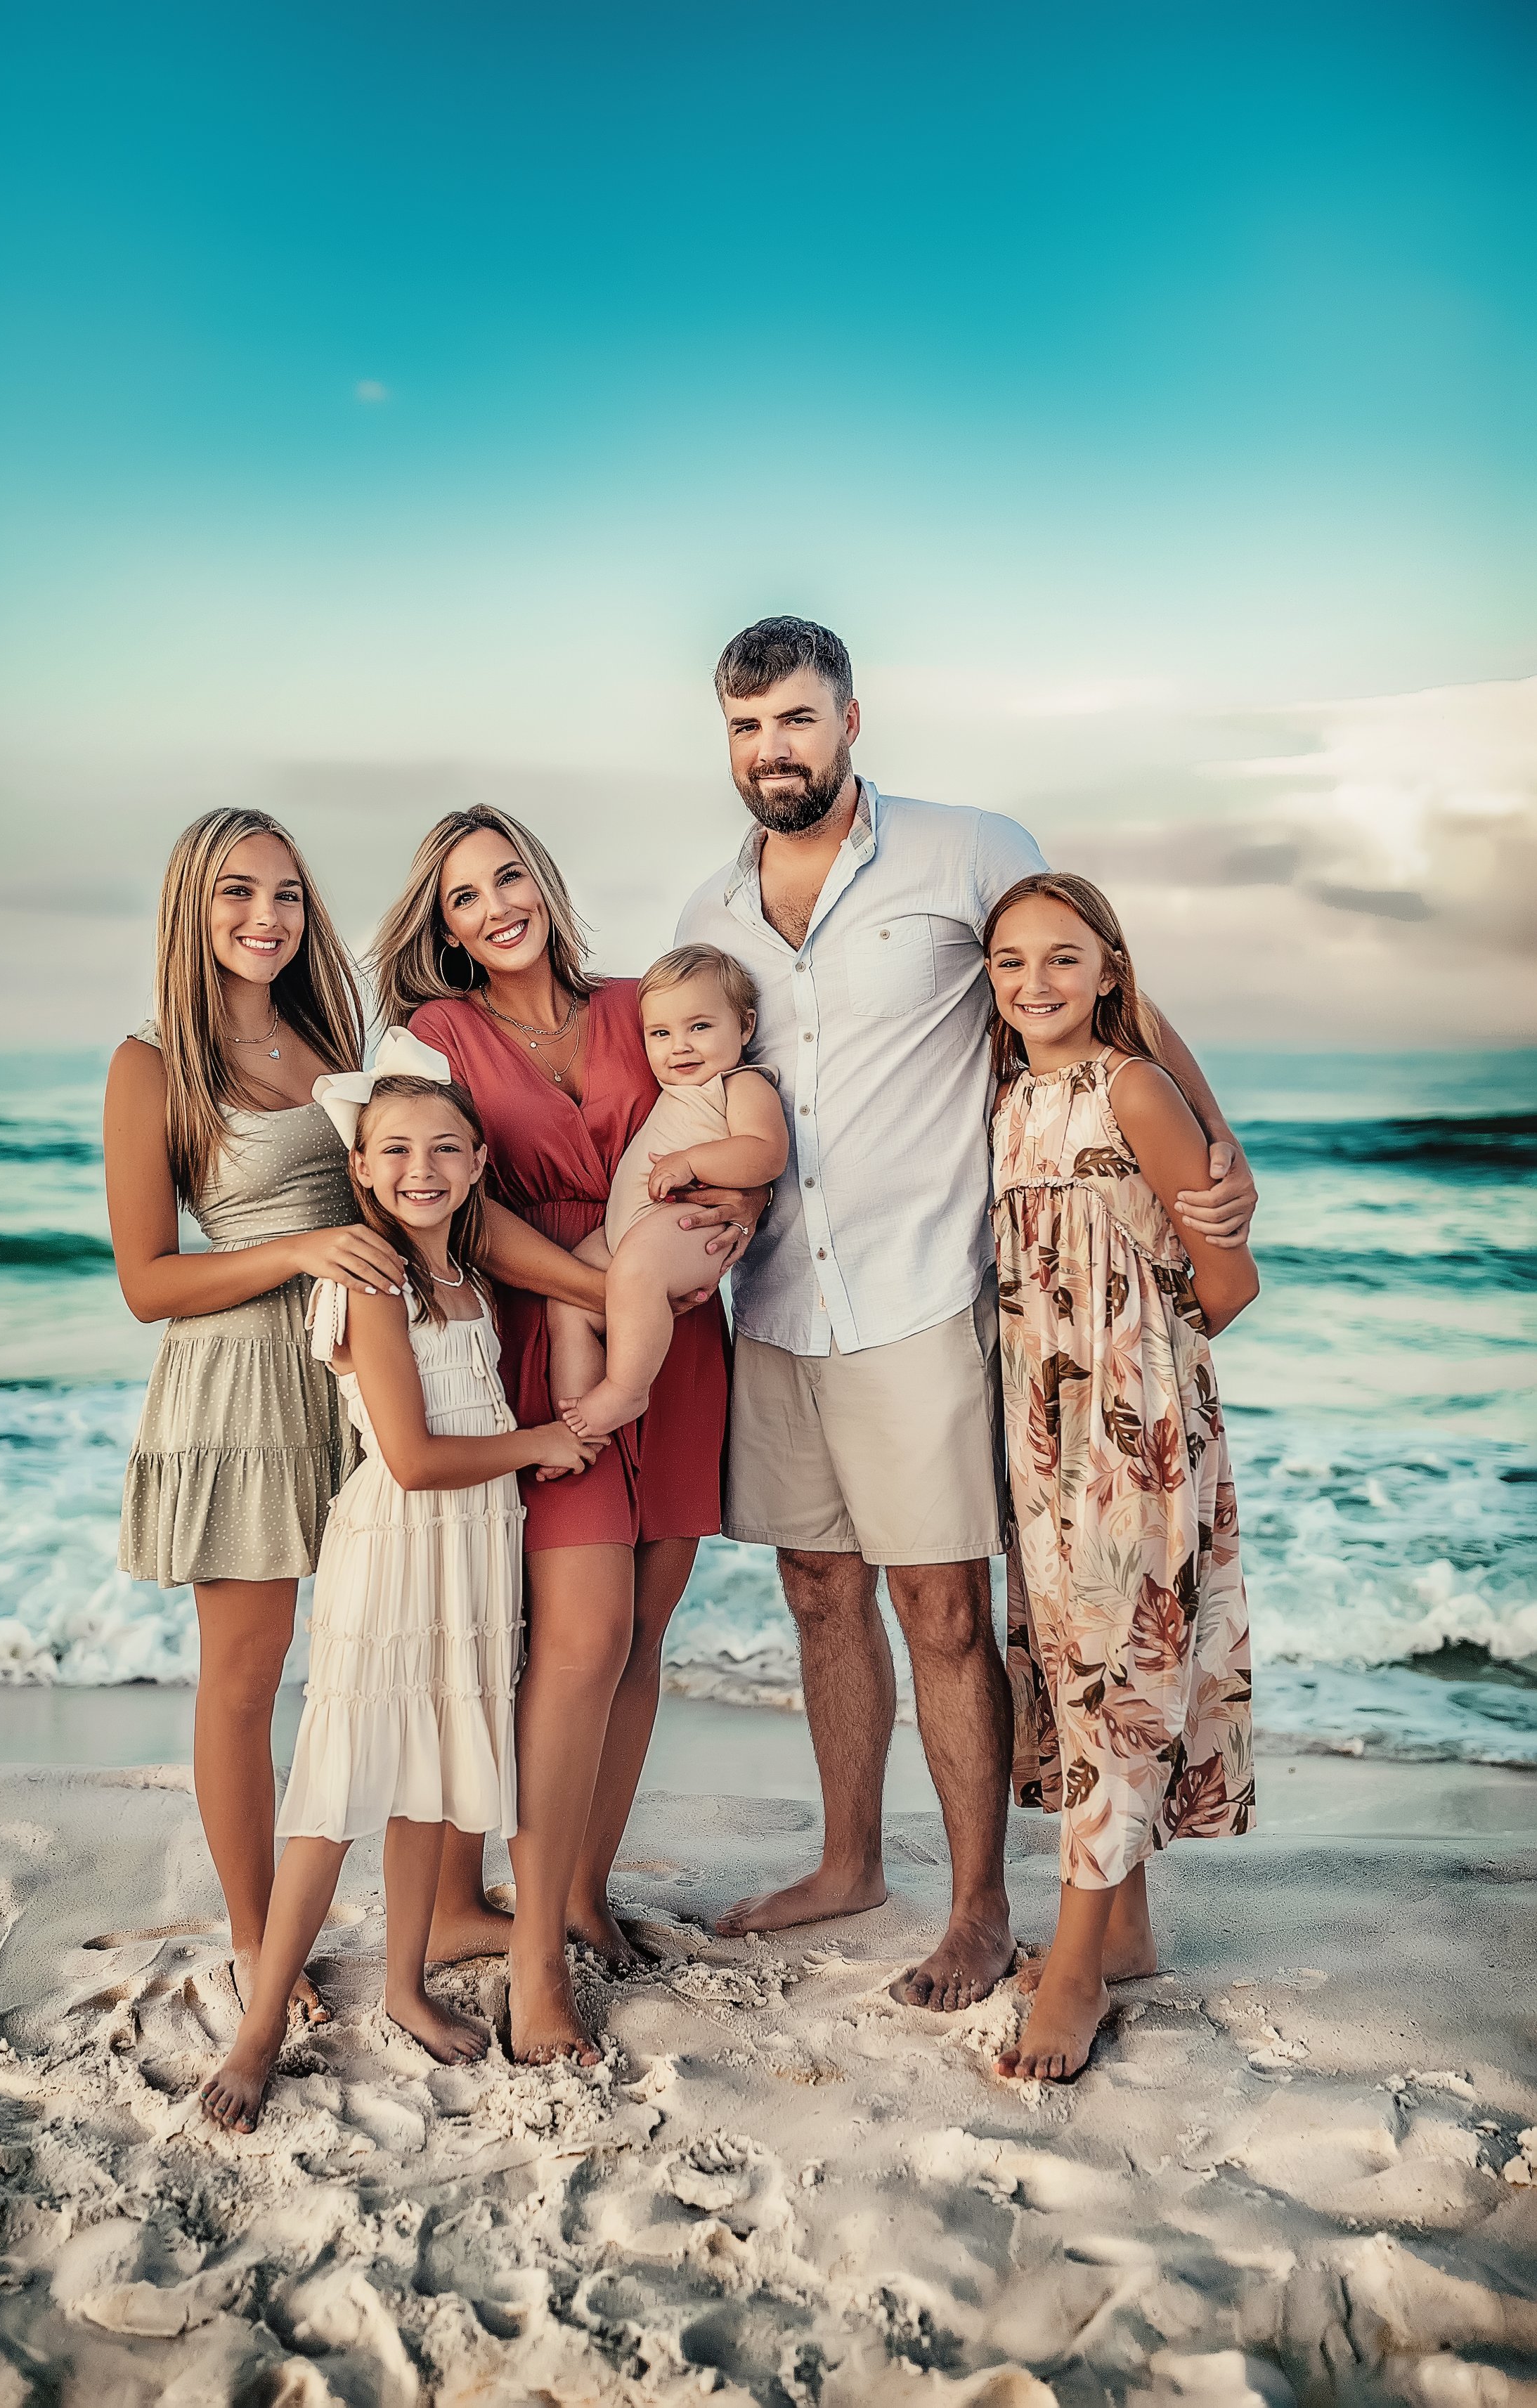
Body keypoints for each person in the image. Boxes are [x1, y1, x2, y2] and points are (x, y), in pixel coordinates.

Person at [675, 617, 1259, 2010]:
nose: (775, 751)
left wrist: (1211, 1162)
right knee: (818, 1590)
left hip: (928, 1294)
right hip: (775, 1306)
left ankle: (983, 1910)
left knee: (945, 1606)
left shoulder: (966, 845)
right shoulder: (707, 913)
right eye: (749, 729)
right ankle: (843, 1865)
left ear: (851, 721)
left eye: (798, 721)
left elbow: (1104, 992)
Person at [105, 808, 611, 2030]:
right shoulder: (152, 1064)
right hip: (239, 1392)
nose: (266, 918)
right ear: (192, 910)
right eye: (237, 895)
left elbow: (432, 1199)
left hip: (363, 1377)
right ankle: (249, 1936)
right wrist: (297, 1247)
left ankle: (440, 1908)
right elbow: (146, 1283)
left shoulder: (332, 1049)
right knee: (248, 1675)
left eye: (286, 895)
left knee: (396, 1653)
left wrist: (606, 1286)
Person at [373, 808, 767, 2062]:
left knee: (644, 1631)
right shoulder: (439, 1035)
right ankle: (533, 1959)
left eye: (509, 877)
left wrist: (739, 1213)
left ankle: (582, 1889)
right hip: (551, 1346)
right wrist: (613, 1292)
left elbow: (717, 1133)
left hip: (684, 1344)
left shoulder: (636, 1003)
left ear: (542, 880)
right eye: (464, 897)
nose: (496, 907)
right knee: (577, 1640)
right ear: (442, 926)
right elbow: (460, 1210)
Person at [198, 1033, 592, 2132]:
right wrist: (540, 1441)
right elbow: (413, 1459)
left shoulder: (469, 1281)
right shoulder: (371, 1279)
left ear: (476, 1165)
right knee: (336, 1792)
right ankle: (260, 2024)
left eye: (444, 1148)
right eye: (395, 1150)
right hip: (398, 1546)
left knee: (427, 1776)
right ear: (361, 1170)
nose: (420, 1167)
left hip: (470, 1552)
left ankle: (405, 1983)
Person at [982, 874, 1257, 2080]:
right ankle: (1128, 1928)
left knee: (1120, 1670)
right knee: (1072, 1659)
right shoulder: (1008, 1100)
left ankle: (1080, 1964)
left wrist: (1136, 1377)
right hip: (1041, 1434)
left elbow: (1231, 1284)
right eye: (1010, 963)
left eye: (1063, 957)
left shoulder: (1129, 1087)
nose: (1036, 982)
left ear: (1109, 968)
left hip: (1132, 1437)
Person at [549, 944, 789, 1439]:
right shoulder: (677, 1089)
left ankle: (626, 1389)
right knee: (566, 1302)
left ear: (744, 1027)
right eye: (660, 1034)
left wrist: (692, 1162)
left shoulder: (740, 1084)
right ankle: (575, 1422)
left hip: (689, 1228)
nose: (679, 1046)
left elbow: (767, 1153)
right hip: (634, 1230)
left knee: (637, 1269)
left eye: (699, 1027)